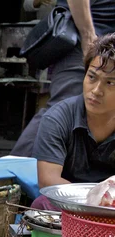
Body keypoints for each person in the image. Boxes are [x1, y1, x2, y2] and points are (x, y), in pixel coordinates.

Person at [11, 0, 115, 157]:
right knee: (61, 109)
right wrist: (88, 36)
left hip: (104, 45)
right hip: (89, 41)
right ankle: (15, 166)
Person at [31, 33, 115, 210]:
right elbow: (48, 180)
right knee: (42, 204)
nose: (96, 90)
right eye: (92, 77)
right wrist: (96, 201)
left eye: (110, 83)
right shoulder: (58, 118)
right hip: (68, 205)